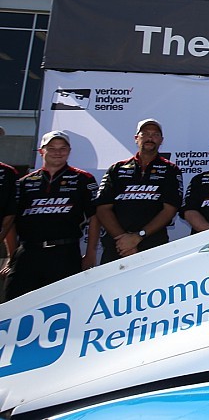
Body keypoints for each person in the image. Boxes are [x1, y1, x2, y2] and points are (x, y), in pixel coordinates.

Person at [3, 131, 99, 300]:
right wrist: (12, 255)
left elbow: (95, 217)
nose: (58, 152)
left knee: (65, 305)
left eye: (63, 148)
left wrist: (91, 253)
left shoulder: (83, 179)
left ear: (69, 151)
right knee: (13, 306)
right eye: (52, 148)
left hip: (65, 253)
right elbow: (10, 219)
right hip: (28, 253)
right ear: (41, 151)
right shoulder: (24, 182)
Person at [94, 119, 183, 264]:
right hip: (117, 245)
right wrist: (123, 239)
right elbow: (103, 207)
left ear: (161, 140)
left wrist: (138, 237)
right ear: (136, 138)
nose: (150, 138)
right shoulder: (116, 169)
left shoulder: (171, 170)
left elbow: (170, 209)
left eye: (155, 135)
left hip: (152, 244)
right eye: (145, 134)